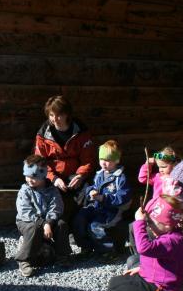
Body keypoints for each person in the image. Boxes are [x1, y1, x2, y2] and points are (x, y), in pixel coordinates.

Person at [34, 95, 96, 225]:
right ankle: (51, 227)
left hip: (75, 174)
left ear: (67, 114)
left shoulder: (81, 131)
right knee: (48, 194)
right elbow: (40, 161)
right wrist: (53, 179)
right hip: (52, 176)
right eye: (51, 115)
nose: (55, 119)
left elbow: (88, 158)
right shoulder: (43, 134)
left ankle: (79, 227)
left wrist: (81, 175)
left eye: (59, 115)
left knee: (86, 192)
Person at [14, 155, 73, 277]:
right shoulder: (25, 190)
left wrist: (49, 222)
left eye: (34, 176)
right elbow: (25, 210)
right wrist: (43, 223)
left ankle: (62, 255)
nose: (29, 179)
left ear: (43, 175)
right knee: (33, 228)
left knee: (61, 224)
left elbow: (56, 207)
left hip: (48, 221)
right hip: (27, 221)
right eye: (27, 175)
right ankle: (25, 260)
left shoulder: (52, 190)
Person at [73, 140, 132, 255]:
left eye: (108, 161)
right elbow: (93, 186)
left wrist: (104, 198)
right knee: (80, 217)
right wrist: (91, 191)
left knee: (95, 226)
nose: (104, 163)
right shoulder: (100, 174)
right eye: (102, 160)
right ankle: (86, 247)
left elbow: (123, 197)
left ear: (116, 160)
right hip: (96, 207)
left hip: (111, 211)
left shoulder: (120, 178)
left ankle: (108, 251)